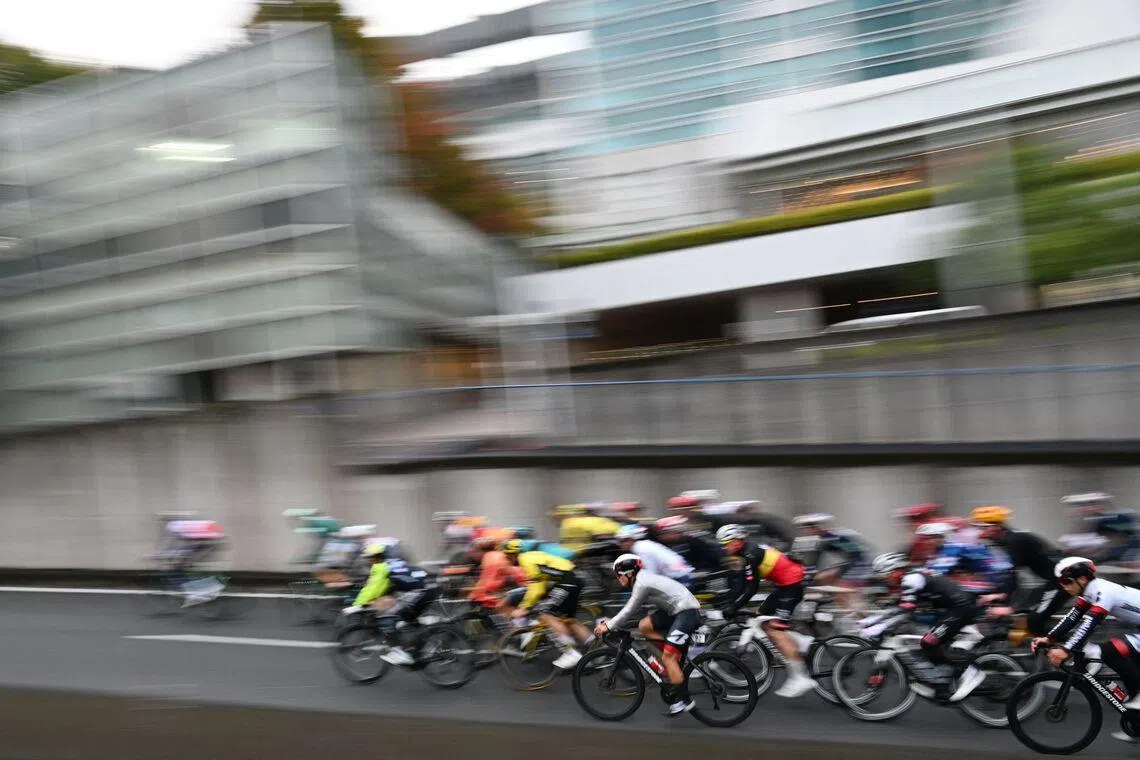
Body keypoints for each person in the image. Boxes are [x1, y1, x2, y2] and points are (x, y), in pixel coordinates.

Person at [1032, 557, 1140, 743]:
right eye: (1060, 582)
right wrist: (1048, 638)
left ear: (1082, 579)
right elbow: (1072, 618)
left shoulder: (1103, 591)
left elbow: (1089, 623)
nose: (1063, 587)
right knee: (1126, 663)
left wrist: (1066, 649)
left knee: (1111, 649)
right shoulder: (1089, 593)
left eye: (1066, 581)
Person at [594, 554, 703, 715]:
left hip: (687, 612)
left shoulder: (642, 583)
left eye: (619, 575)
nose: (618, 579)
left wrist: (608, 626)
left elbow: (630, 609)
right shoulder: (643, 578)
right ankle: (672, 653)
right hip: (676, 610)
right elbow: (636, 611)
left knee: (668, 657)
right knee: (644, 626)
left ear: (629, 573)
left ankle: (682, 700)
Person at [872, 551, 987, 702]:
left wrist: (879, 624)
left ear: (896, 570)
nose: (885, 580)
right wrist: (874, 621)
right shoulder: (909, 578)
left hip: (960, 608)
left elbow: (906, 609)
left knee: (929, 641)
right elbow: (902, 607)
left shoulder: (911, 578)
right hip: (949, 609)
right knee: (927, 640)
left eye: (885, 575)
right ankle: (941, 683)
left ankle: (971, 672)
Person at [716, 523, 815, 698]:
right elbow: (742, 584)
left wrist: (734, 607)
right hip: (787, 583)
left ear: (737, 541)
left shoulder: (751, 554)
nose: (724, 547)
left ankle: (800, 677)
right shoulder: (748, 552)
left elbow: (751, 588)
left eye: (726, 543)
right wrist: (729, 603)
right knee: (762, 618)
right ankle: (799, 641)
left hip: (792, 584)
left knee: (776, 630)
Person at [968, 506, 1067, 636]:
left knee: (1033, 621)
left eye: (983, 527)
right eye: (978, 527)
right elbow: (1008, 575)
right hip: (1052, 580)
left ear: (997, 527)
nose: (979, 531)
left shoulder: (1014, 541)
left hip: (1062, 581)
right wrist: (1001, 595)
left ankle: (1077, 648)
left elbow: (1017, 576)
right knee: (1024, 614)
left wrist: (1011, 606)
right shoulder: (1004, 540)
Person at [501, 538, 592, 670]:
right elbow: (541, 585)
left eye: (506, 555)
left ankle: (571, 653)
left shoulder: (525, 560)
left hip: (567, 581)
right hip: (573, 578)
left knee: (546, 615)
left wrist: (524, 608)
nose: (505, 559)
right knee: (569, 620)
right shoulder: (530, 556)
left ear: (512, 554)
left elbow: (536, 588)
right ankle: (597, 648)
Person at [343, 541, 436, 666]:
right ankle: (427, 644)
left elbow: (372, 589)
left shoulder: (382, 567)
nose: (369, 562)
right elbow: (387, 590)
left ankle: (400, 652)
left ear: (378, 557)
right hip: (430, 587)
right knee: (406, 617)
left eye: (370, 558)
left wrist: (358, 605)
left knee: (387, 617)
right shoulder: (395, 564)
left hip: (421, 591)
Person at [790, 512, 872, 613]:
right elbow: (814, 561)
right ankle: (834, 601)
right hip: (852, 562)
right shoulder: (824, 537)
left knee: (842, 592)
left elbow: (815, 560)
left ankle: (860, 615)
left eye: (806, 528)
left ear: (816, 528)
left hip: (860, 563)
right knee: (821, 578)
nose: (804, 531)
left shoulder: (831, 536)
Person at [919, 521, 1014, 596]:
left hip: (997, 580)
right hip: (991, 577)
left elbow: (937, 572)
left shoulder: (953, 547)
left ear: (942, 537)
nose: (926, 542)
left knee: (945, 587)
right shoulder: (941, 550)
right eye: (924, 539)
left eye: (930, 538)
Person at [1061, 493, 1140, 565]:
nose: (1083, 510)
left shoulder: (1118, 517)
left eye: (1087, 505)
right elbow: (1094, 540)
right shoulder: (1096, 520)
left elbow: (1097, 541)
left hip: (1130, 549)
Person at [615, 523, 695, 586]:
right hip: (677, 576)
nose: (620, 544)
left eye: (623, 540)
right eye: (620, 541)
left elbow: (652, 572)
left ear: (632, 539)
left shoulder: (640, 548)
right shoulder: (643, 544)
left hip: (680, 578)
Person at [654, 516, 725, 573]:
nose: (662, 536)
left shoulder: (693, 542)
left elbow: (711, 560)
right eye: (661, 534)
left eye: (665, 533)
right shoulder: (659, 546)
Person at [554, 504, 623, 552]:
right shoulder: (592, 521)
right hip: (582, 551)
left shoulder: (566, 523)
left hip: (569, 550)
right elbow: (617, 531)